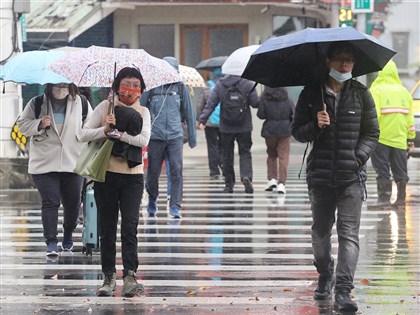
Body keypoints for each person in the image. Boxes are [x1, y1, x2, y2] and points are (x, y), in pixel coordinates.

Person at [291, 42, 379, 312]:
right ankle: (325, 272)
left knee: (349, 234)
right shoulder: (311, 93)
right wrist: (315, 125)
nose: (345, 66)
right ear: (329, 61)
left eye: (350, 61)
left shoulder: (361, 94)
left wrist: (358, 158)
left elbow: (372, 132)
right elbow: (297, 132)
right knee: (320, 233)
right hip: (320, 177)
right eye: (340, 60)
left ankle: (343, 290)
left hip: (351, 177)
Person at [79, 67, 151, 297]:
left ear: (141, 89)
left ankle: (130, 275)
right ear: (117, 86)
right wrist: (105, 128)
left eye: (136, 84)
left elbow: (143, 140)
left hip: (133, 177)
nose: (131, 89)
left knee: (130, 227)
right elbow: (83, 134)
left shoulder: (144, 111)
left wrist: (120, 135)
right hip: (107, 175)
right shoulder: (104, 108)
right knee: (107, 228)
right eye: (126, 84)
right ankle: (108, 277)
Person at [17, 83, 93, 256]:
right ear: (49, 86)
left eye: (65, 85)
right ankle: (51, 241)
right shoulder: (36, 103)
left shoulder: (81, 103)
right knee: (50, 202)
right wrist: (39, 123)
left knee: (73, 204)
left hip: (73, 161)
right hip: (44, 162)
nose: (61, 89)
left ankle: (68, 235)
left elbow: (91, 126)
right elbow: (22, 126)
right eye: (57, 85)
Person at [141, 56, 197, 219]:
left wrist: (192, 137)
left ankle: (175, 206)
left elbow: (189, 112)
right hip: (155, 136)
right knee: (153, 172)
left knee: (176, 170)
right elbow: (142, 109)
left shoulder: (180, 87)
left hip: (175, 137)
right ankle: (152, 200)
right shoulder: (152, 86)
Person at [198, 74, 259, 193]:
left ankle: (229, 184)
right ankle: (246, 176)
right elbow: (255, 103)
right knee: (245, 152)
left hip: (226, 126)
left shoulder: (220, 85)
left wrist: (202, 120)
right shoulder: (247, 84)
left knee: (226, 155)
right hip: (244, 126)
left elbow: (211, 104)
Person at [369, 60, 415, 208]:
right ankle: (401, 199)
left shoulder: (377, 90)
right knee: (400, 169)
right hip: (400, 139)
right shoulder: (404, 92)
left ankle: (384, 199)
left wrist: (369, 133)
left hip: (382, 138)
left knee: (382, 169)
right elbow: (410, 117)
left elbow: (374, 115)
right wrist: (410, 138)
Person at [257, 86, 294, 194]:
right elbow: (293, 113)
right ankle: (282, 183)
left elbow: (261, 115)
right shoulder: (287, 98)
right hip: (285, 130)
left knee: (271, 154)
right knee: (283, 157)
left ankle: (272, 178)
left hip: (270, 130)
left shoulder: (265, 98)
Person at [196, 67, 224, 179]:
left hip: (209, 122)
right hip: (224, 122)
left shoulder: (207, 86)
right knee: (223, 146)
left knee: (212, 146)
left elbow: (200, 105)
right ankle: (223, 164)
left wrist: (200, 119)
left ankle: (214, 171)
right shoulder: (226, 85)